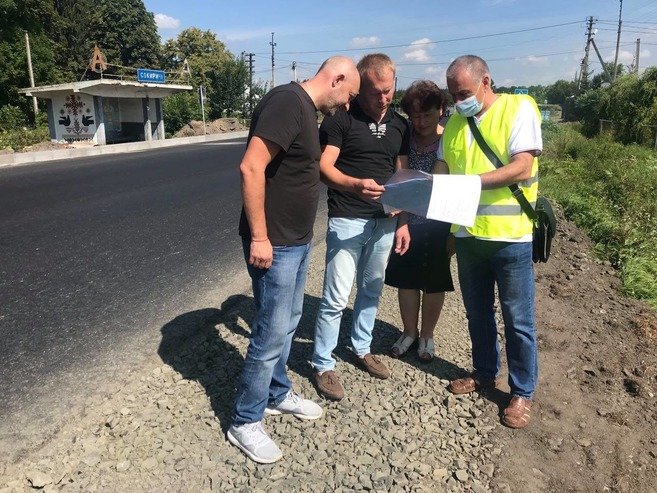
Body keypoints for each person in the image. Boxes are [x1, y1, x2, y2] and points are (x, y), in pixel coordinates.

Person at [228, 56, 360, 463]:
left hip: (297, 241)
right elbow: (251, 167)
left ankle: (277, 392)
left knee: (287, 324)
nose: (348, 104)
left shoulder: (305, 109)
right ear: (337, 78)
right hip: (276, 242)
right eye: (350, 94)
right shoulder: (287, 102)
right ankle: (245, 420)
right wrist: (260, 237)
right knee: (269, 332)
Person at [436, 55, 542, 429]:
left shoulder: (519, 108)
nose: (458, 101)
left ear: (486, 82)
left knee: (518, 320)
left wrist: (470, 184)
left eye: (463, 93)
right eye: (453, 95)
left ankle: (521, 391)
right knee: (477, 313)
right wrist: (426, 187)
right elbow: (442, 167)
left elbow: (522, 166)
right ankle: (483, 373)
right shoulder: (453, 123)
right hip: (468, 237)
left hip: (510, 238)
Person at [312, 53, 410, 401]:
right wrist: (354, 185)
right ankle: (323, 363)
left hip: (385, 222)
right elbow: (324, 168)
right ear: (360, 87)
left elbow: (402, 174)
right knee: (336, 297)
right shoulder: (340, 120)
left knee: (371, 290)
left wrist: (403, 221)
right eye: (375, 92)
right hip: (347, 217)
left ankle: (361, 347)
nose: (383, 98)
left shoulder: (400, 125)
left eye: (388, 90)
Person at [384, 80, 455, 362]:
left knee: (435, 280)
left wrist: (454, 231)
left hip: (440, 222)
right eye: (414, 115)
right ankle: (409, 332)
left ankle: (427, 335)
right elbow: (400, 181)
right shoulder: (405, 137)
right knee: (407, 279)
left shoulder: (451, 138)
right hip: (408, 221)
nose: (420, 122)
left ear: (441, 110)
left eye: (426, 114)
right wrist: (402, 220)